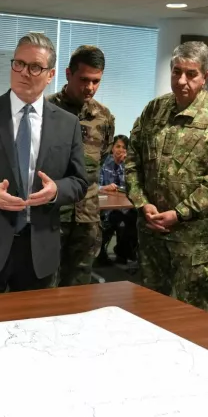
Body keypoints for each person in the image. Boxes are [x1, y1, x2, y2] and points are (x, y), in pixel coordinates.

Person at [0, 32, 88, 296]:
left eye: (35, 67)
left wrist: (55, 191)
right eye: (18, 64)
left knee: (33, 332)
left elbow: (79, 182)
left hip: (39, 248)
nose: (24, 72)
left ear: (51, 74)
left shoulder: (68, 124)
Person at [124, 41, 208, 310]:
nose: (182, 81)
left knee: (189, 317)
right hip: (151, 231)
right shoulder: (154, 110)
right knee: (149, 308)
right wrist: (142, 203)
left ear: (205, 77)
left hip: (193, 239)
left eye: (191, 74)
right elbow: (133, 161)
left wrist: (179, 213)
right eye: (176, 72)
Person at [47, 45, 116, 287]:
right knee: (45, 284)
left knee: (79, 287)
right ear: (68, 74)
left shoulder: (103, 117)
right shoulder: (45, 110)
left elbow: (103, 155)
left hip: (87, 215)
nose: (89, 87)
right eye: (84, 79)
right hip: (51, 213)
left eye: (96, 81)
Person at [98, 134, 136, 265]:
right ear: (112, 148)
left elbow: (128, 187)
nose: (120, 150)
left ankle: (122, 252)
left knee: (133, 218)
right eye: (117, 146)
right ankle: (101, 254)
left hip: (122, 208)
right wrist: (104, 187)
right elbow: (95, 186)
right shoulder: (104, 163)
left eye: (124, 147)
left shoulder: (128, 165)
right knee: (111, 220)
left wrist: (125, 165)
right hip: (105, 207)